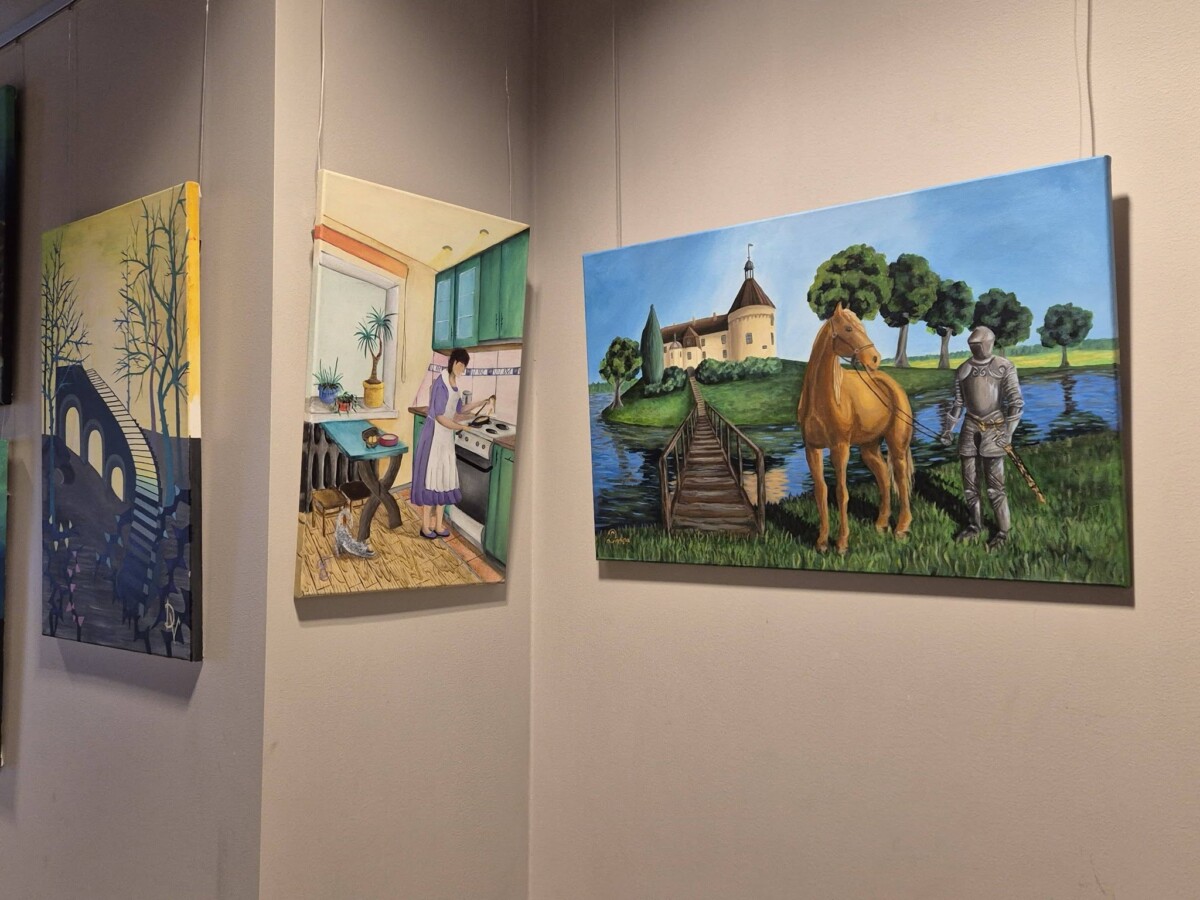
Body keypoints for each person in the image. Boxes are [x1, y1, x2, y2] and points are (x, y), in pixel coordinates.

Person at [939, 325, 1024, 550]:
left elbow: (1015, 403)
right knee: (970, 484)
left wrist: (1008, 433)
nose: (977, 348)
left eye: (980, 344)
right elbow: (958, 403)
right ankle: (975, 525)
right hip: (969, 428)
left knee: (995, 487)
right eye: (973, 345)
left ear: (990, 343)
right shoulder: (963, 369)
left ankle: (1003, 531)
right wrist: (948, 430)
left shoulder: (1004, 366)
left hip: (995, 427)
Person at [410, 348, 494, 539]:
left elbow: (460, 409)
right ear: (455, 363)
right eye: (462, 366)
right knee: (432, 480)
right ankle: (425, 527)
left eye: (464, 367)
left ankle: (438, 525)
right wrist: (461, 427)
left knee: (444, 480)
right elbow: (440, 417)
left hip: (446, 438)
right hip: (435, 437)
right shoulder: (441, 383)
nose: (463, 370)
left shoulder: (454, 383)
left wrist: (480, 402)